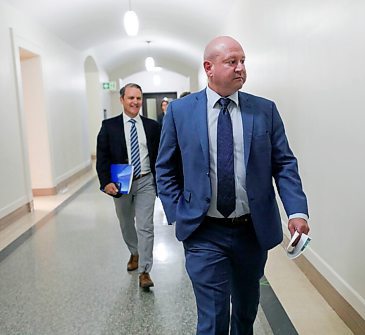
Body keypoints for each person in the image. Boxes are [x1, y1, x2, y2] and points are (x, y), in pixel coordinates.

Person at [156, 36, 309, 334]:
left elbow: (284, 164)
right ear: (209, 68)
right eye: (232, 62)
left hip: (251, 231)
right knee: (212, 319)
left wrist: (297, 212)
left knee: (245, 312)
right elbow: (165, 167)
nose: (241, 68)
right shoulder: (181, 111)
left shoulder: (265, 110)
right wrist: (179, 211)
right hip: (204, 231)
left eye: (243, 61)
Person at [96, 83, 161, 290]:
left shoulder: (152, 127)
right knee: (125, 222)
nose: (135, 102)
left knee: (145, 226)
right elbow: (102, 157)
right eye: (131, 98)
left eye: (139, 98)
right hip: (121, 181)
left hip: (146, 180)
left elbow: (160, 155)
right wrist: (105, 182)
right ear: (122, 99)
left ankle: (144, 271)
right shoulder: (109, 126)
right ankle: (135, 251)